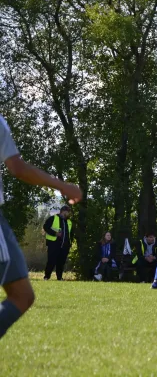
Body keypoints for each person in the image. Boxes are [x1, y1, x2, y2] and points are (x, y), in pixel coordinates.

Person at [0, 114, 82, 339]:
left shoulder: (69, 222)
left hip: (62, 244)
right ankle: (48, 277)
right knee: (22, 296)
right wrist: (61, 185)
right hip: (50, 243)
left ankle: (55, 277)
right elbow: (17, 167)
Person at [43, 205, 73, 281]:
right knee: (51, 261)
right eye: (68, 212)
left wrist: (70, 243)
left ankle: (59, 278)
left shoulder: (69, 222)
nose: (69, 213)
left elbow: (71, 234)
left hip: (65, 245)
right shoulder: (53, 218)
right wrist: (55, 233)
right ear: (63, 211)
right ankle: (47, 277)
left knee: (61, 262)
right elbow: (46, 227)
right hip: (54, 243)